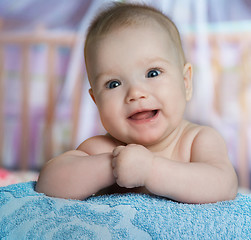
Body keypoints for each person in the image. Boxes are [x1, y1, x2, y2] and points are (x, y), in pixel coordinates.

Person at [36, 2, 238, 204]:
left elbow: (224, 185)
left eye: (152, 73)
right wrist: (112, 167)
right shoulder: (103, 149)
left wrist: (151, 170)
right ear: (96, 101)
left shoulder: (197, 140)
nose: (135, 93)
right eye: (113, 84)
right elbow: (47, 184)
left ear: (185, 83)